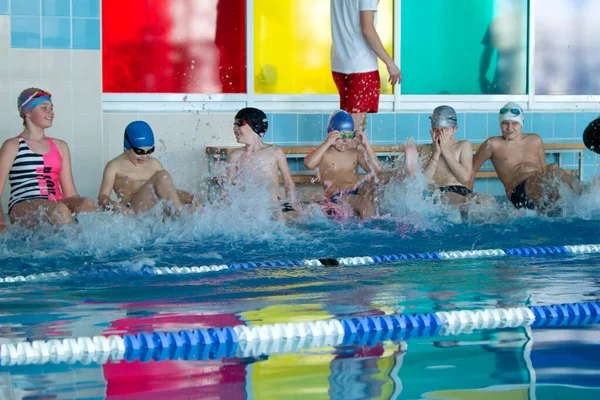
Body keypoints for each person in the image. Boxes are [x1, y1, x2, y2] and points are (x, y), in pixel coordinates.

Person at [0, 88, 96, 231]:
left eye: (51, 108)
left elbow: (70, 193)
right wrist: (1, 224)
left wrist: (83, 206)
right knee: (59, 210)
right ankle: (73, 249)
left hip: (56, 203)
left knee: (87, 203)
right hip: (23, 205)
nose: (51, 113)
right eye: (44, 108)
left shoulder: (60, 146)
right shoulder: (13, 145)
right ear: (27, 112)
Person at [470, 102, 582, 214]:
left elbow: (543, 169)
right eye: (505, 123)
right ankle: (585, 191)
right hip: (519, 192)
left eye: (514, 123)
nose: (510, 128)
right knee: (553, 169)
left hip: (538, 188)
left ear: (521, 123)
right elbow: (471, 170)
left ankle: (583, 200)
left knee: (557, 189)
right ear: (500, 125)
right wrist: (467, 195)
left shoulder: (535, 140)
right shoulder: (492, 144)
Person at [330, 0, 402, 134]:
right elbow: (367, 30)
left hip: (340, 63)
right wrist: (390, 63)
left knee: (348, 129)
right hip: (361, 67)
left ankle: (356, 154)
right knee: (352, 133)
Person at [98, 121, 199, 215]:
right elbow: (102, 197)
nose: (145, 156)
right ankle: (182, 214)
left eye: (150, 150)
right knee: (162, 175)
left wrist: (189, 197)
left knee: (191, 199)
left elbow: (169, 190)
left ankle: (183, 213)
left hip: (155, 206)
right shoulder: (114, 166)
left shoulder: (153, 163)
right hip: (133, 209)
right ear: (127, 146)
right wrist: (114, 204)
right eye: (140, 152)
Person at [303, 110, 382, 218]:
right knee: (366, 204)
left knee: (380, 181)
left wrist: (366, 144)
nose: (345, 141)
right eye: (341, 137)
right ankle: (374, 230)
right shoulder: (323, 154)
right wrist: (327, 142)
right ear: (331, 135)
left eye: (349, 136)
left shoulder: (355, 153)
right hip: (334, 199)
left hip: (355, 195)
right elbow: (309, 164)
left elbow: (377, 169)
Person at [225, 107, 298, 216]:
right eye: (234, 124)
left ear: (255, 126)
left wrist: (293, 205)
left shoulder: (275, 151)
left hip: (276, 205)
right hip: (249, 206)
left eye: (240, 123)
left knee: (294, 217)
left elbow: (288, 183)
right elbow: (227, 188)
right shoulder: (235, 155)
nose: (235, 127)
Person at [418, 106, 479, 206]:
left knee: (487, 201)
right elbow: (423, 182)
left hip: (462, 190)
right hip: (440, 193)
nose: (440, 134)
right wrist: (436, 153)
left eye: (444, 129)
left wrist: (446, 151)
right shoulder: (426, 149)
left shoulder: (463, 145)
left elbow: (464, 178)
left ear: (455, 129)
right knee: (463, 202)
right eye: (436, 130)